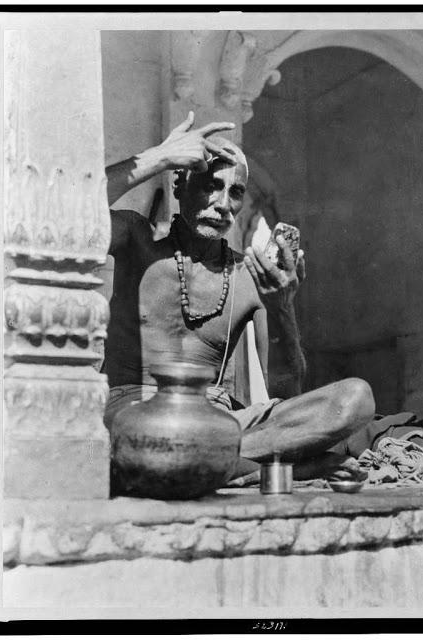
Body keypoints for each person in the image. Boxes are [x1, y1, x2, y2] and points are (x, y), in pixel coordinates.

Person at [102, 111, 375, 481]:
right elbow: (77, 205)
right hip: (136, 413)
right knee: (142, 442)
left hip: (218, 423)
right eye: (210, 185)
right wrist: (161, 157)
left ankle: (212, 465)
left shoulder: (248, 277)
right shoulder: (138, 240)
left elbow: (285, 389)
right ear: (179, 185)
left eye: (236, 192)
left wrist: (282, 308)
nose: (223, 204)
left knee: (355, 399)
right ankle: (269, 468)